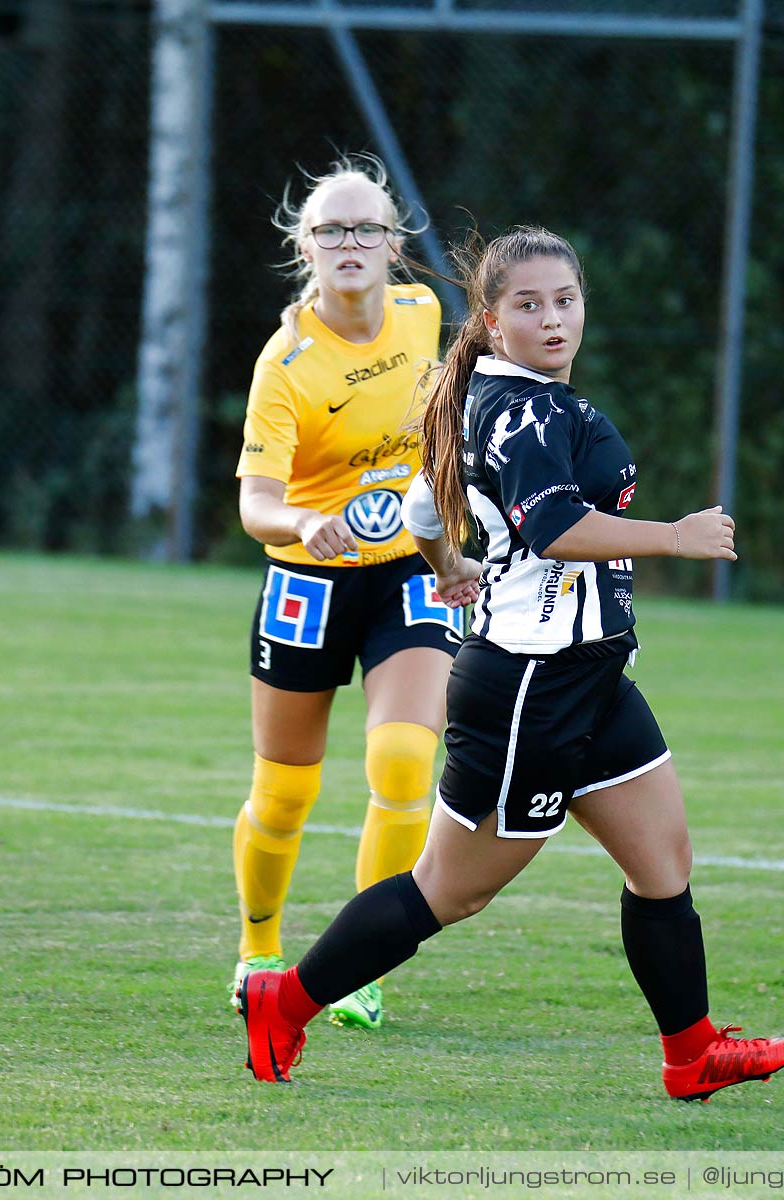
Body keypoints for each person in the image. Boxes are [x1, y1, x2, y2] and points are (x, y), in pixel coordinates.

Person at [238, 226, 784, 1100]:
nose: (553, 319)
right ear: (494, 323)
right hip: (528, 689)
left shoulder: (487, 394)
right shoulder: (528, 410)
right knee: (446, 894)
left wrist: (449, 567)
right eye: (529, 305)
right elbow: (553, 529)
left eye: (566, 301)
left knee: (663, 865)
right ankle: (288, 1000)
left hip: (591, 674)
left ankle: (692, 1057)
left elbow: (426, 508)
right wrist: (676, 539)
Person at [229, 155, 468, 1031]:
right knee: (284, 794)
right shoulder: (286, 363)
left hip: (408, 574)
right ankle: (259, 952)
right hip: (306, 585)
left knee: (405, 761)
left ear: (395, 244)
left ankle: (356, 966)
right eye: (332, 230)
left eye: (367, 227)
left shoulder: (422, 313)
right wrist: (301, 522)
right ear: (307, 248)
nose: (350, 242)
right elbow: (254, 504)